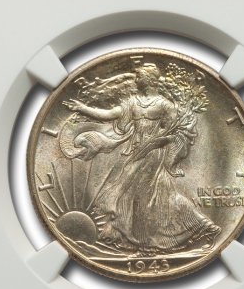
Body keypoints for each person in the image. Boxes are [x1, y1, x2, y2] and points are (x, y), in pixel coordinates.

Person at [63, 63, 220, 254]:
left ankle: (149, 241)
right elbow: (109, 115)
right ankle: (138, 240)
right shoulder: (133, 103)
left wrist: (160, 141)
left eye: (139, 77)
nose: (136, 80)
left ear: (149, 80)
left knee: (142, 196)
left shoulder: (165, 105)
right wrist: (83, 108)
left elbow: (177, 132)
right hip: (135, 152)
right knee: (134, 195)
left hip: (153, 154)